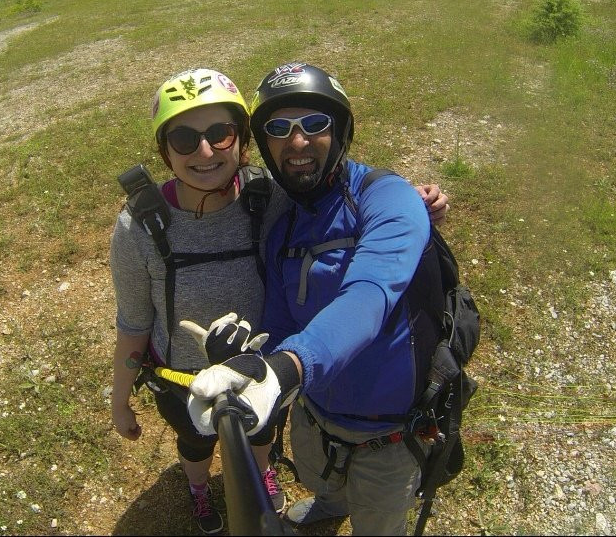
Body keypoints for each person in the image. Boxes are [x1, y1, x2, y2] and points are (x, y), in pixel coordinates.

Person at [110, 67, 449, 535]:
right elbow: (276, 307)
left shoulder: (363, 199)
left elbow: (368, 296)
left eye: (314, 124)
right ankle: (329, 502)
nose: (297, 143)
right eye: (279, 128)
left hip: (381, 418)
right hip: (312, 407)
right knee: (318, 476)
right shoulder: (281, 210)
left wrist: (282, 370)